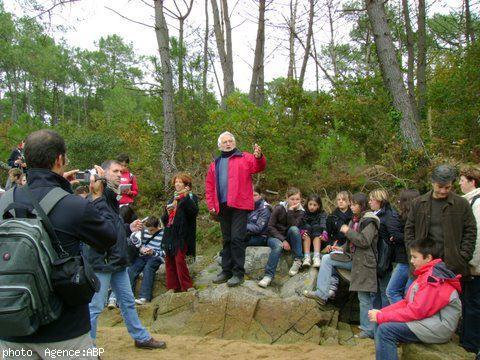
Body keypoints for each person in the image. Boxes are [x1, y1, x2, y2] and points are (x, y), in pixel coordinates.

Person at [0, 129, 117, 359]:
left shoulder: (5, 200)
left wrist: (60, 187)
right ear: (59, 160)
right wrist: (99, 198)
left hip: (11, 325)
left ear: (26, 160)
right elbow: (110, 237)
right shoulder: (73, 205)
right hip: (64, 331)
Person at [85, 159, 166, 350]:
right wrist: (98, 192)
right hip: (102, 261)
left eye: (121, 172)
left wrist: (127, 227)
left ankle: (141, 337)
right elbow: (98, 226)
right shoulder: (95, 198)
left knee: (128, 302)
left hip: (117, 259)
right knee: (95, 307)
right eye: (115, 171)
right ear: (103, 174)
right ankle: (87, 346)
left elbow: (112, 224)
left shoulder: (112, 197)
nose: (120, 175)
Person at [369, 240, 462, 360]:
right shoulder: (426, 274)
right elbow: (407, 302)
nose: (411, 261)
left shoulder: (433, 279)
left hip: (440, 326)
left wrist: (382, 316)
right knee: (380, 320)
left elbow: (417, 311)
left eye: (414, 257)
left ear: (428, 258)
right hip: (431, 320)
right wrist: (382, 313)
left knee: (385, 330)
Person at [304, 192, 379, 340]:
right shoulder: (355, 219)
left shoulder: (370, 220)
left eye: (353, 204)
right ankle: (322, 293)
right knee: (327, 259)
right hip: (351, 258)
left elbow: (364, 241)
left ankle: (367, 330)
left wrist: (347, 231)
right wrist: (340, 248)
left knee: (364, 297)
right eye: (351, 204)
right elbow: (350, 243)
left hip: (364, 263)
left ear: (361, 205)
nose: (351, 206)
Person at [206, 131, 266, 287]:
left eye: (230, 141)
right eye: (225, 141)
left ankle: (238, 273)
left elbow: (258, 166)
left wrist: (259, 156)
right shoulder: (215, 163)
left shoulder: (244, 157)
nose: (228, 143)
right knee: (226, 239)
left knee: (237, 239)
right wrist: (211, 205)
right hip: (222, 206)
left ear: (234, 143)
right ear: (220, 145)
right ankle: (226, 271)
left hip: (240, 205)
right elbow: (210, 186)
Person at [404, 164, 476, 277]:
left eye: (447, 187)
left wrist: (462, 256)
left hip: (453, 267)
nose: (443, 191)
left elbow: (470, 231)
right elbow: (409, 230)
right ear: (432, 183)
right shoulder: (418, 203)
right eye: (439, 187)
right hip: (424, 266)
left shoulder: (461, 204)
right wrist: (413, 254)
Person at [162, 173, 198, 293]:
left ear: (186, 185)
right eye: (176, 182)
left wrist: (185, 197)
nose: (177, 184)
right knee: (169, 260)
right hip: (170, 233)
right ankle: (173, 286)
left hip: (182, 234)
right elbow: (164, 219)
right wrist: (167, 212)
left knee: (179, 259)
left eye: (180, 182)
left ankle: (187, 286)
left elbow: (193, 212)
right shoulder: (172, 198)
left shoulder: (191, 197)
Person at [368, 189, 403, 309]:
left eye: (372, 199)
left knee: (385, 291)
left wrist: (391, 240)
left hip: (385, 259)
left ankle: (385, 321)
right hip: (374, 257)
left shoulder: (389, 214)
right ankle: (375, 323)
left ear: (379, 200)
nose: (369, 202)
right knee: (373, 292)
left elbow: (394, 235)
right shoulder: (375, 213)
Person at [458, 166, 480, 354]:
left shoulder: (477, 203)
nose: (459, 183)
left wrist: (471, 264)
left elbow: (476, 236)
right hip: (470, 265)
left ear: (473, 181)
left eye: (462, 180)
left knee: (473, 306)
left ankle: (470, 345)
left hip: (474, 267)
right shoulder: (470, 201)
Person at [386, 189, 420, 304]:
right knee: (407, 294)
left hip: (406, 260)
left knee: (392, 291)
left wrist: (395, 238)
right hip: (409, 259)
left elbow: (407, 237)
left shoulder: (409, 219)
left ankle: (404, 316)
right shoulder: (414, 218)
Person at [128, 216, 165, 304]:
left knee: (148, 268)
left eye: (152, 230)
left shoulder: (164, 233)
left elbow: (165, 252)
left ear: (157, 227)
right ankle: (129, 296)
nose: (149, 232)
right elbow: (138, 244)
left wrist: (153, 252)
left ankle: (144, 297)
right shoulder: (144, 231)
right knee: (132, 269)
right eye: (148, 230)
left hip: (155, 256)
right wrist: (141, 249)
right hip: (143, 255)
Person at [324, 191, 353, 298]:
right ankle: (332, 286)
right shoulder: (332, 216)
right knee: (330, 256)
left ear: (349, 202)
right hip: (337, 242)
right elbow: (329, 232)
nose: (340, 202)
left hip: (350, 243)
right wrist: (328, 243)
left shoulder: (354, 216)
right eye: (338, 200)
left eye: (343, 200)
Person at [300, 194, 328, 268]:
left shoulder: (322, 213)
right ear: (307, 204)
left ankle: (316, 257)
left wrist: (324, 231)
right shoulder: (303, 212)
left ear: (318, 206)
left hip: (318, 242)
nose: (312, 207)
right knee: (306, 227)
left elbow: (323, 223)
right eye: (310, 204)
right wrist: (301, 231)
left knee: (317, 227)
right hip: (305, 241)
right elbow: (300, 223)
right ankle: (307, 257)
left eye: (315, 205)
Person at [117, 153, 139, 224]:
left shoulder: (131, 176)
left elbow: (135, 192)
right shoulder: (115, 175)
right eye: (121, 165)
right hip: (116, 203)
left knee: (126, 223)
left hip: (128, 204)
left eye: (125, 166)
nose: (123, 167)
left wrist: (130, 192)